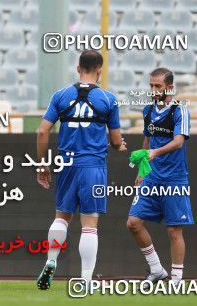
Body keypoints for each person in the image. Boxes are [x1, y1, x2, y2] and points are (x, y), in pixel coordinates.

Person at [36, 50, 127, 290]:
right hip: (93, 166)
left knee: (61, 217)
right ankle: (85, 279)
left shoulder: (61, 95)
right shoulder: (108, 100)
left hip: (66, 164)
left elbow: (42, 131)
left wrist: (42, 164)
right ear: (100, 70)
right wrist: (120, 145)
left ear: (78, 68)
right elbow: (117, 141)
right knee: (89, 224)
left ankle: (51, 261)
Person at [126, 68, 192, 286]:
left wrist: (155, 152)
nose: (153, 90)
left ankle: (177, 279)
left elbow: (179, 141)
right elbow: (147, 143)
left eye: (158, 86)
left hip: (174, 178)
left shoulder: (179, 111)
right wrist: (141, 170)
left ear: (169, 87)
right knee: (133, 223)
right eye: (151, 85)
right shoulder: (147, 111)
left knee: (174, 230)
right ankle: (156, 269)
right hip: (152, 177)